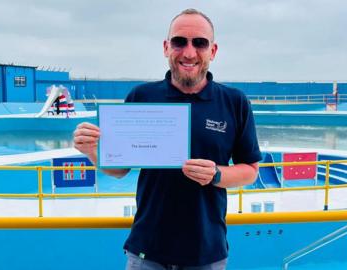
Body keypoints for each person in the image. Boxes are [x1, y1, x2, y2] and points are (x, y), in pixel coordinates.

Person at [73, 8, 261, 270]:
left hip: (206, 251)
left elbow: (250, 171)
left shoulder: (234, 102)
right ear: (166, 47)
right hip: (147, 250)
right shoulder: (141, 97)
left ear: (213, 51)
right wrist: (93, 150)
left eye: (199, 43)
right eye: (179, 42)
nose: (189, 52)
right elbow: (118, 169)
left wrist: (216, 174)